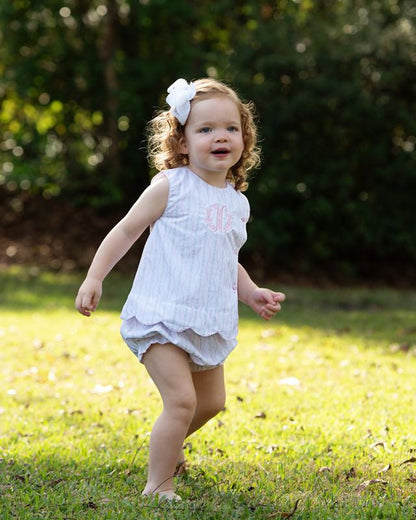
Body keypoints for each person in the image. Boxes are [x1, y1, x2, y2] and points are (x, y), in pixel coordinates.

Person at [75, 77, 286, 501]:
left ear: (244, 138)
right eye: (204, 129)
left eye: (229, 128)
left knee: (211, 404)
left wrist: (251, 292)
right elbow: (125, 231)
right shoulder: (170, 186)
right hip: (161, 313)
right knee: (182, 402)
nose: (219, 136)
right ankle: (159, 485)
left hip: (207, 318)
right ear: (183, 142)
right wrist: (95, 276)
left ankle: (168, 447)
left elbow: (226, 258)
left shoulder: (236, 201)